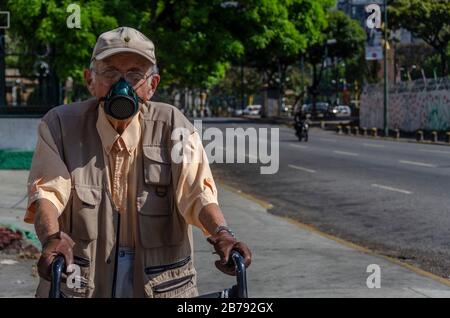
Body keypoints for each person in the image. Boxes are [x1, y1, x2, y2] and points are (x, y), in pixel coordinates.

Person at [24, 26, 252, 298]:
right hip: (82, 282)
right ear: (90, 80)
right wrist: (52, 238)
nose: (122, 84)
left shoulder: (174, 125)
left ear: (152, 86)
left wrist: (222, 233)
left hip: (161, 282)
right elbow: (47, 192)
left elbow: (197, 193)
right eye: (110, 72)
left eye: (134, 74)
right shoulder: (60, 125)